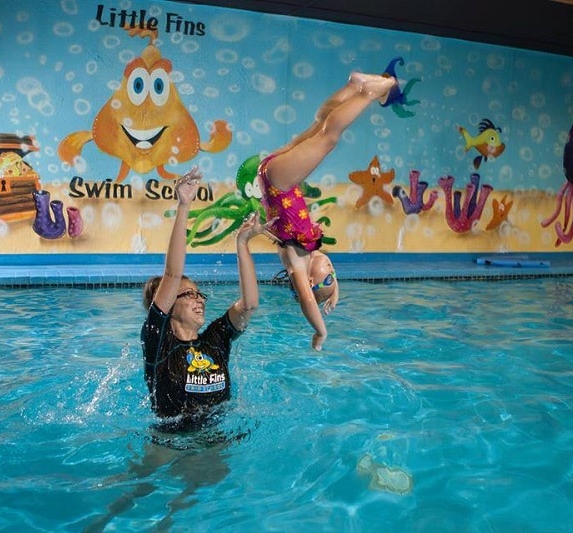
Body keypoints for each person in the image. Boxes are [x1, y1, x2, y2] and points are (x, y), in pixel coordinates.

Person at [260, 70, 398, 350]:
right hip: (274, 174)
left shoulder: (296, 261)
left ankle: (369, 93)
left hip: (280, 182)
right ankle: (353, 85)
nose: (332, 268)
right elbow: (319, 284)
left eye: (329, 275)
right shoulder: (305, 254)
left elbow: (308, 301)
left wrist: (320, 332)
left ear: (310, 280)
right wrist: (335, 289)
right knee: (321, 124)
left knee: (329, 137)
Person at [140, 165, 267, 426]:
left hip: (214, 439)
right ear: (168, 306)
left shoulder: (215, 340)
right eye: (188, 294)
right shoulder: (158, 342)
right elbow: (173, 274)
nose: (198, 300)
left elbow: (250, 304)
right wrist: (184, 206)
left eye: (199, 295)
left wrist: (242, 244)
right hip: (169, 441)